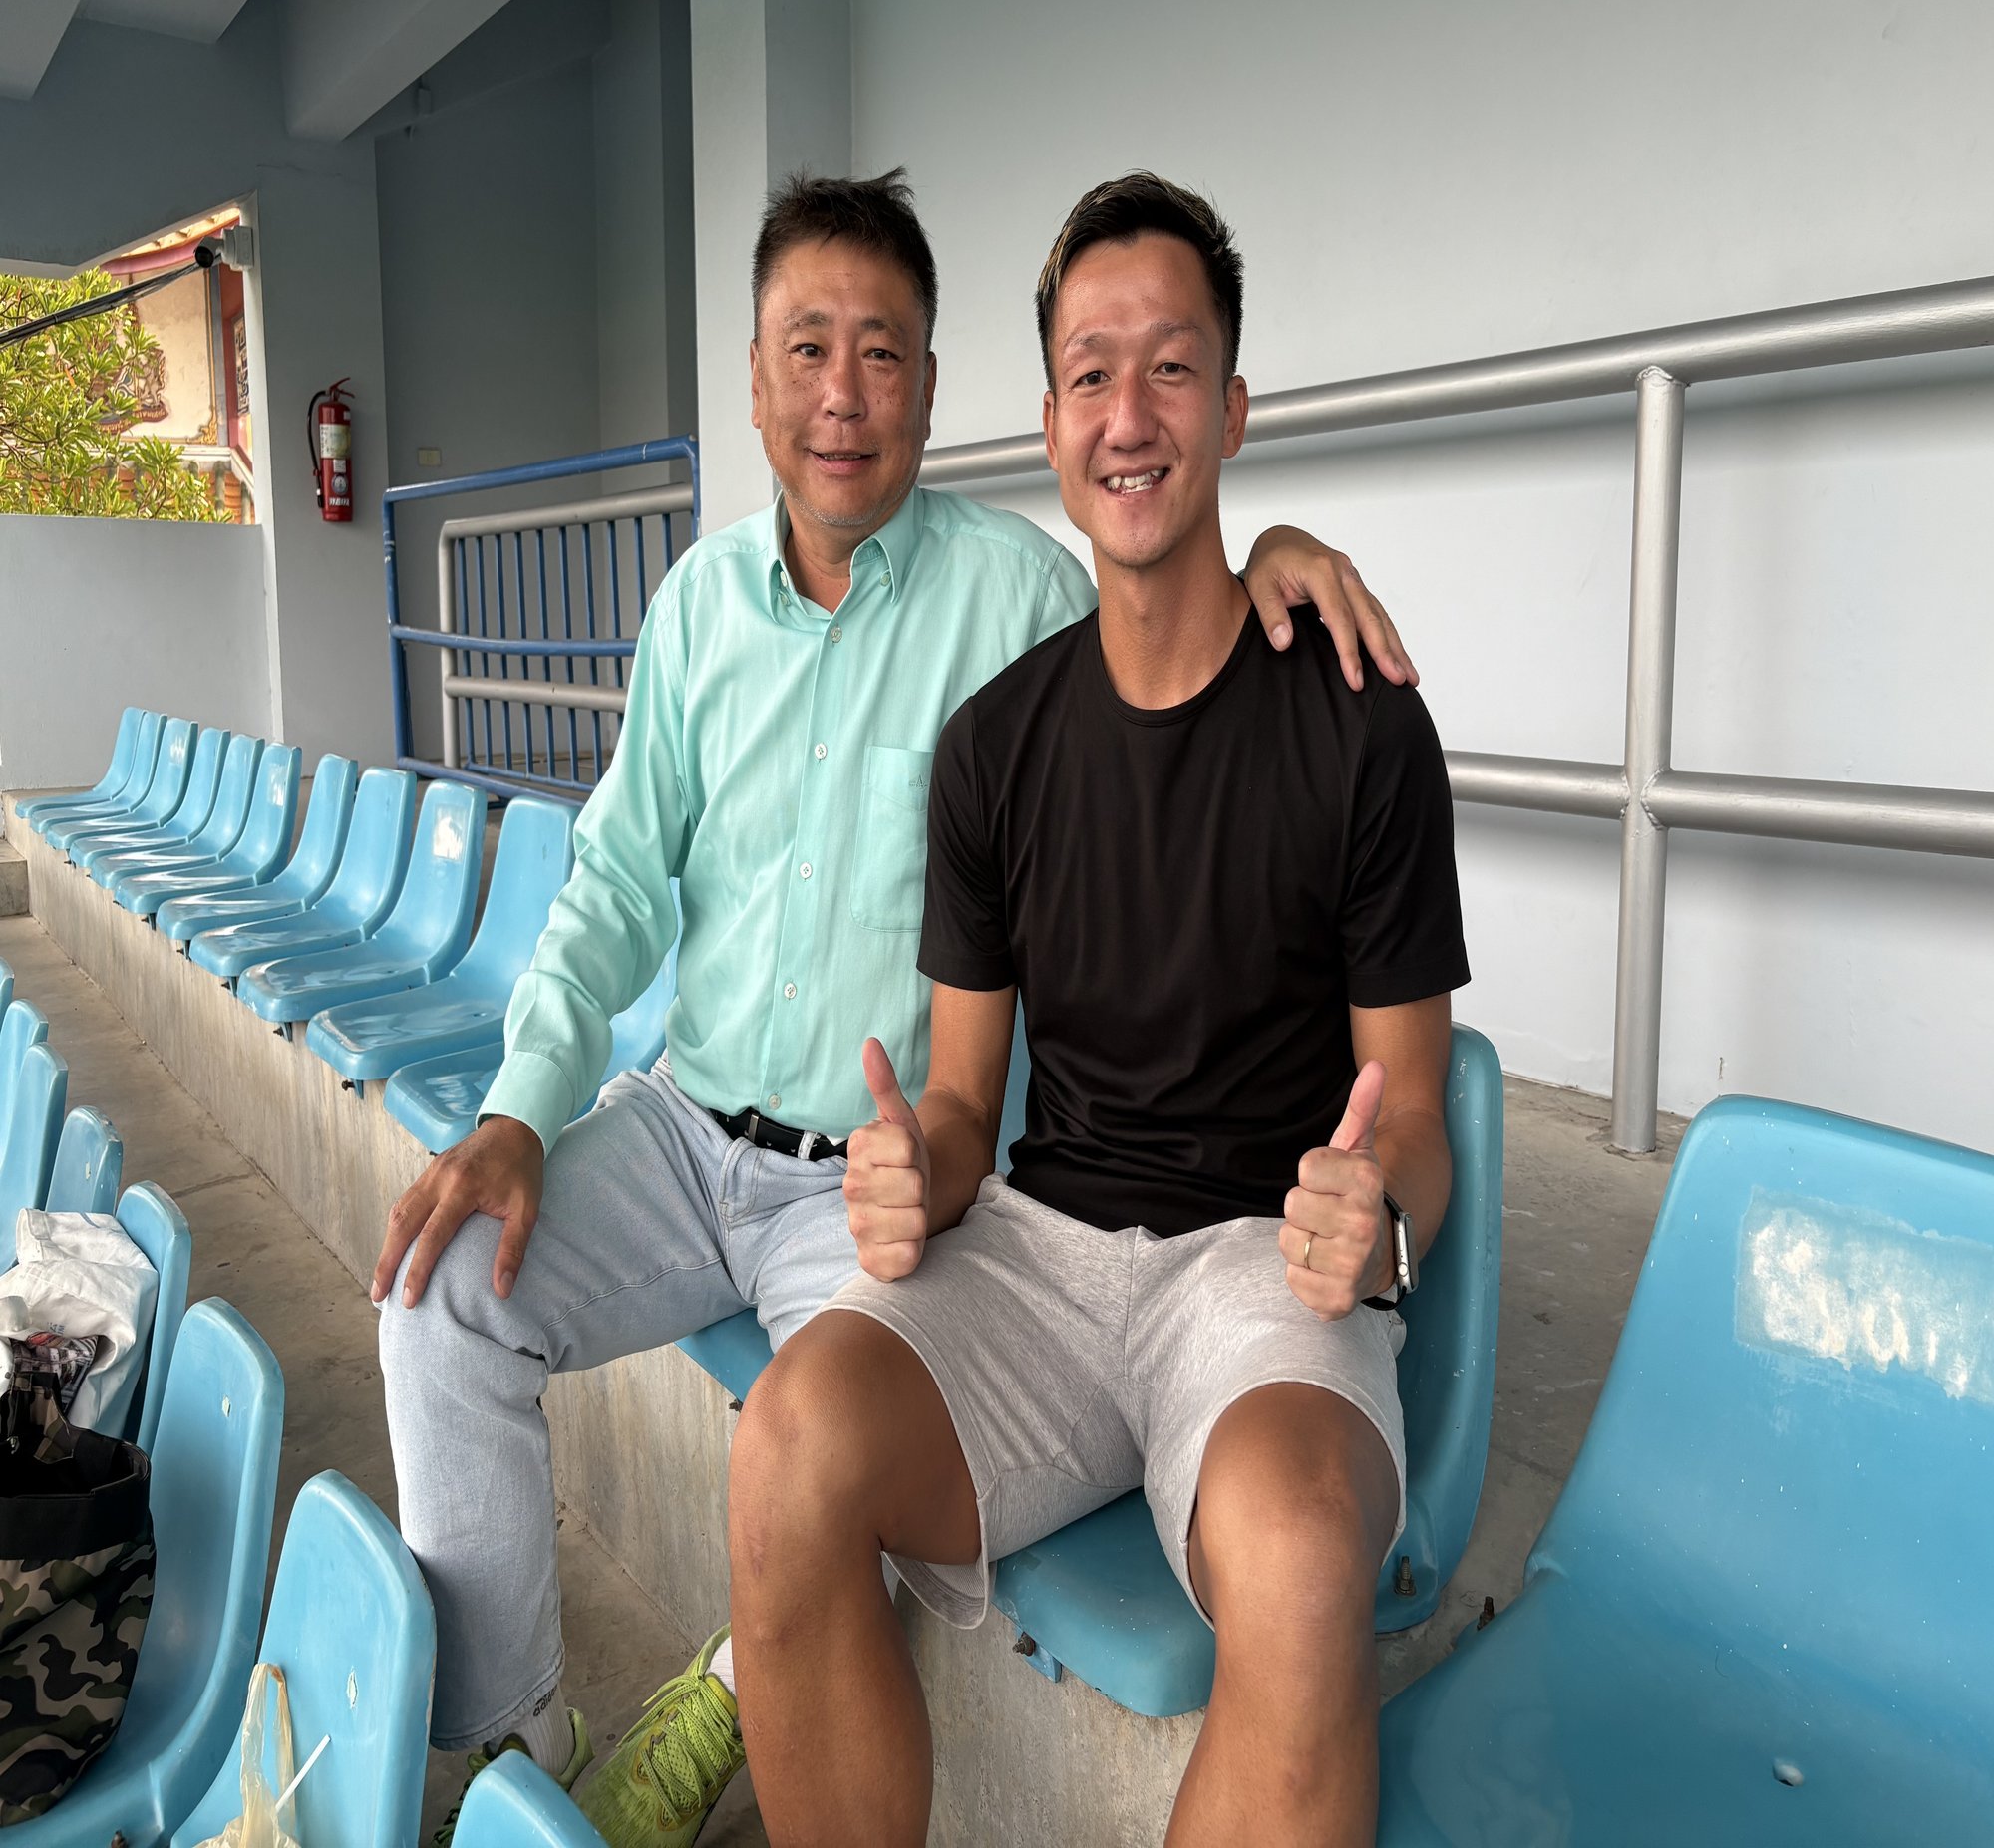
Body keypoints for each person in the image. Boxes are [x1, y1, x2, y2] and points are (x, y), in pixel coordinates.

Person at [370, 166, 1417, 1847]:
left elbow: (1174, 600)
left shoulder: (1022, 598)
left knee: (828, 1459)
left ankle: (736, 1689)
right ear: (757, 379)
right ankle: (514, 1763)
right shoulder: (703, 610)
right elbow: (617, 884)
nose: (843, 394)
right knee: (440, 1298)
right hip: (696, 1129)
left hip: (887, 1197)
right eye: (808, 349)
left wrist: (1283, 551)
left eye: (883, 354)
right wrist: (519, 1109)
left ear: (934, 389)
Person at [727, 173, 1470, 1847]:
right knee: (787, 1448)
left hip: (1263, 1270)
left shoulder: (1358, 723)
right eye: (1089, 374)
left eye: (1172, 367)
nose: (1128, 415)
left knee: (1301, 1567)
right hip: (1042, 1263)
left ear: (1234, 409)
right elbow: (965, 1101)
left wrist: (1382, 1220)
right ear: (1052, 423)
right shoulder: (993, 749)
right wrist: (916, 1166)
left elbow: (1414, 1114)